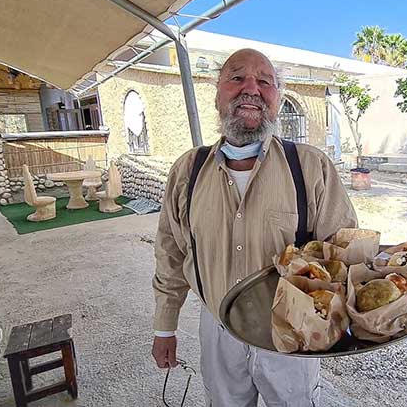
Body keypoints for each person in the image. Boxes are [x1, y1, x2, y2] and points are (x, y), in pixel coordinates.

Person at [151, 48, 358, 406]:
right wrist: (164, 327)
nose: (252, 88)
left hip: (294, 331)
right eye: (237, 78)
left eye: (265, 81)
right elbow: (171, 252)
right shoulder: (188, 171)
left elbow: (345, 253)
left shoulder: (310, 167)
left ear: (277, 97)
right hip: (218, 332)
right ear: (217, 93)